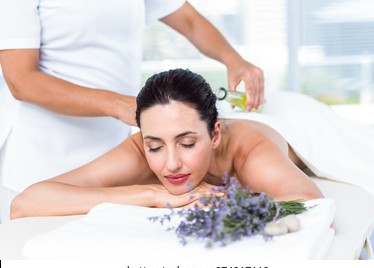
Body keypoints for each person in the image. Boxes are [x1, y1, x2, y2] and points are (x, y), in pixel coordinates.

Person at [0, 1, 264, 222]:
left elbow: (188, 20)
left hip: (114, 162)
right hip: (40, 158)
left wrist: (233, 59)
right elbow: (22, 80)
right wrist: (119, 105)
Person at [10, 69, 322, 219]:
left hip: (298, 118)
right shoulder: (141, 150)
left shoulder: (249, 150)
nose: (170, 163)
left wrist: (237, 206)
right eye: (155, 146)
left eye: (187, 144)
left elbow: (308, 203)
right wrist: (153, 194)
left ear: (215, 135)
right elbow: (26, 203)